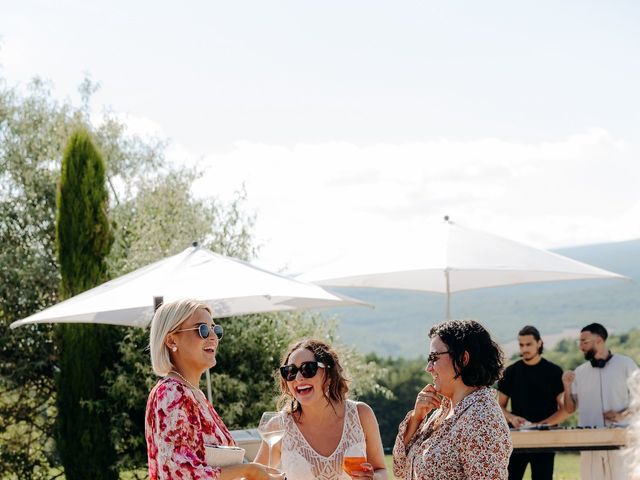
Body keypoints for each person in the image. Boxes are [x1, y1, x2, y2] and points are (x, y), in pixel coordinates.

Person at [145, 298, 282, 480]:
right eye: (202, 329)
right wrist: (249, 470)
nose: (213, 337)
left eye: (215, 329)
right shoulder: (172, 393)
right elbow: (179, 473)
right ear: (171, 340)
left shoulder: (192, 393)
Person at [392, 319, 512, 480]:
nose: (428, 368)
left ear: (463, 359)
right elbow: (400, 469)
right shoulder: (444, 410)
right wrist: (416, 418)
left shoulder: (482, 419)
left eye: (434, 357)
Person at [254, 338, 388, 480]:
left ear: (329, 374)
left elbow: (381, 470)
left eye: (308, 369)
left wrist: (374, 478)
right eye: (290, 371)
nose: (298, 378)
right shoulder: (278, 426)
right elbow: (253, 475)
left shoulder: (361, 415)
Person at [562, 322, 639, 480]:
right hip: (589, 441)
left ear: (599, 340)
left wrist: (622, 415)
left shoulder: (626, 365)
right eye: (580, 342)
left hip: (620, 439)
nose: (581, 346)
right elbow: (570, 409)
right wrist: (567, 387)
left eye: (585, 341)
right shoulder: (579, 372)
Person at [497, 325, 568, 480]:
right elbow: (499, 406)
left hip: (545, 439)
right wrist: (512, 418)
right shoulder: (511, 372)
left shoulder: (554, 371)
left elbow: (564, 409)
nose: (524, 349)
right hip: (517, 439)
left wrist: (543, 425)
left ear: (539, 343)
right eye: (521, 345)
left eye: (528, 344)